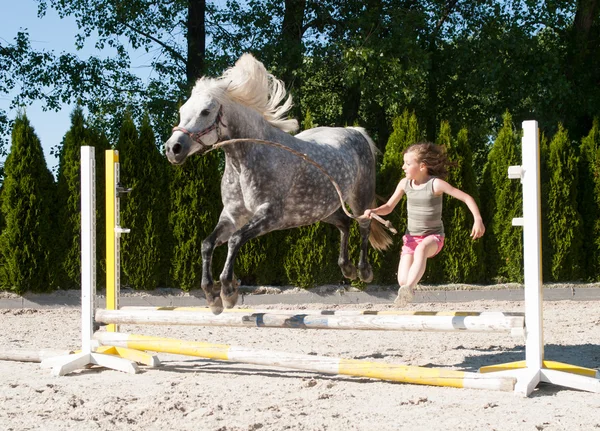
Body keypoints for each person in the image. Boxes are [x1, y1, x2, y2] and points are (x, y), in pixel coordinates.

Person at [362, 142, 485, 306]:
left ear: (422, 166)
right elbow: (389, 207)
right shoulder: (404, 184)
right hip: (411, 239)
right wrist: (374, 211)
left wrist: (477, 219)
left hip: (433, 238)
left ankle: (409, 290)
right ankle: (407, 288)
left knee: (421, 251)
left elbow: (467, 198)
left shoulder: (435, 184)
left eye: (407, 163)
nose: (403, 167)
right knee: (403, 280)